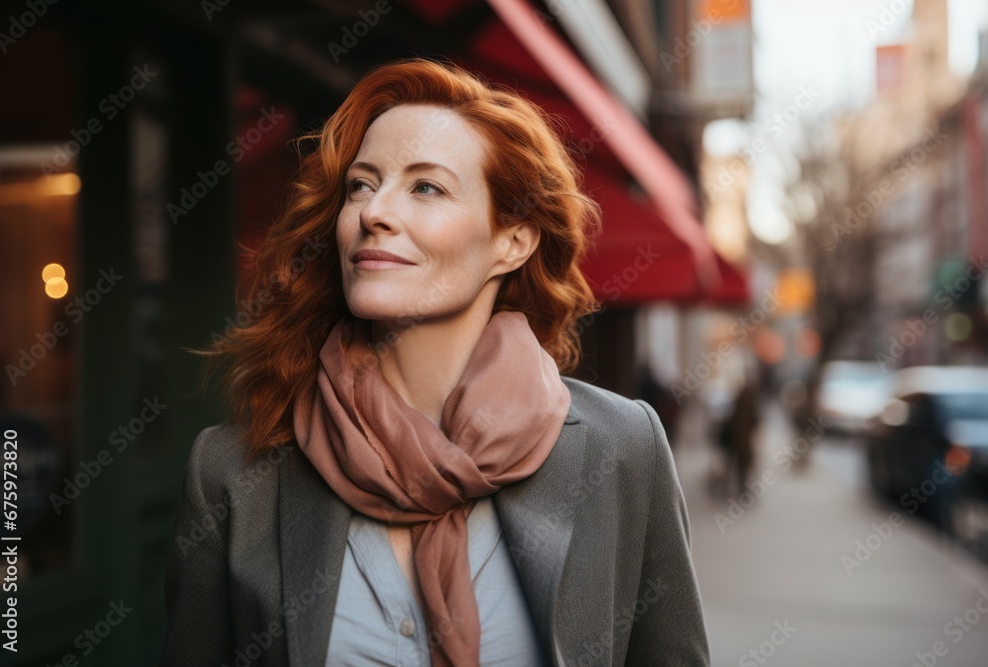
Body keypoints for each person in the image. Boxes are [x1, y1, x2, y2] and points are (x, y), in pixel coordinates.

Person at [159, 57, 708, 667]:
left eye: (426, 187)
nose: (373, 212)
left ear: (511, 242)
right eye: (361, 185)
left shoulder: (624, 449)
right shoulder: (232, 471)